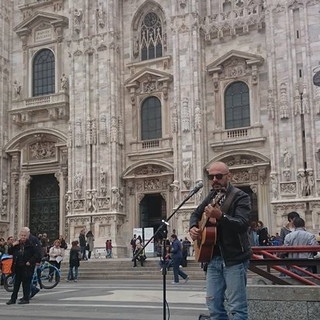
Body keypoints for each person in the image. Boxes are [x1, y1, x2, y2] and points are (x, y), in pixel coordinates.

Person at [189, 161, 251, 320]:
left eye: (219, 176)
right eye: (211, 176)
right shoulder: (210, 196)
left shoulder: (240, 196)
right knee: (214, 305)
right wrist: (193, 228)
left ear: (229, 176)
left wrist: (221, 216)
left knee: (237, 308)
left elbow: (242, 224)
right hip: (212, 258)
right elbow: (195, 215)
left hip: (233, 259)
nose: (214, 179)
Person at [6, 227, 39, 305]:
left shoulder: (31, 244)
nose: (23, 237)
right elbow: (9, 252)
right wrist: (12, 245)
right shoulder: (17, 245)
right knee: (16, 284)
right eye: (22, 235)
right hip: (18, 266)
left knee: (26, 284)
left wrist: (30, 262)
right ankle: (13, 299)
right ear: (19, 235)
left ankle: (26, 298)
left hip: (27, 267)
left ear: (27, 236)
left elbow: (36, 254)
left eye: (25, 235)